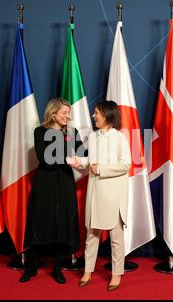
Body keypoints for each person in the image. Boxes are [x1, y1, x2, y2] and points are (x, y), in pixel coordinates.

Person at [20, 97, 85, 284]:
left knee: (62, 224)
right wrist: (67, 159)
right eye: (64, 113)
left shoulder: (72, 132)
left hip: (65, 183)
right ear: (53, 113)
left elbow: (83, 155)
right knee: (39, 222)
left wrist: (102, 150)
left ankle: (57, 269)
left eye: (69, 113)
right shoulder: (40, 132)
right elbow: (44, 159)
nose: (68, 116)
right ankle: (31, 267)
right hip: (45, 184)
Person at [69, 100, 131, 291]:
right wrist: (81, 162)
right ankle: (88, 271)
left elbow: (125, 164)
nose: (94, 116)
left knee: (116, 239)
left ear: (107, 114)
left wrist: (100, 169)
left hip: (113, 195)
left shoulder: (120, 137)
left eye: (97, 113)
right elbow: (92, 160)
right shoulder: (94, 137)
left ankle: (116, 274)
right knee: (91, 236)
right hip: (94, 193)